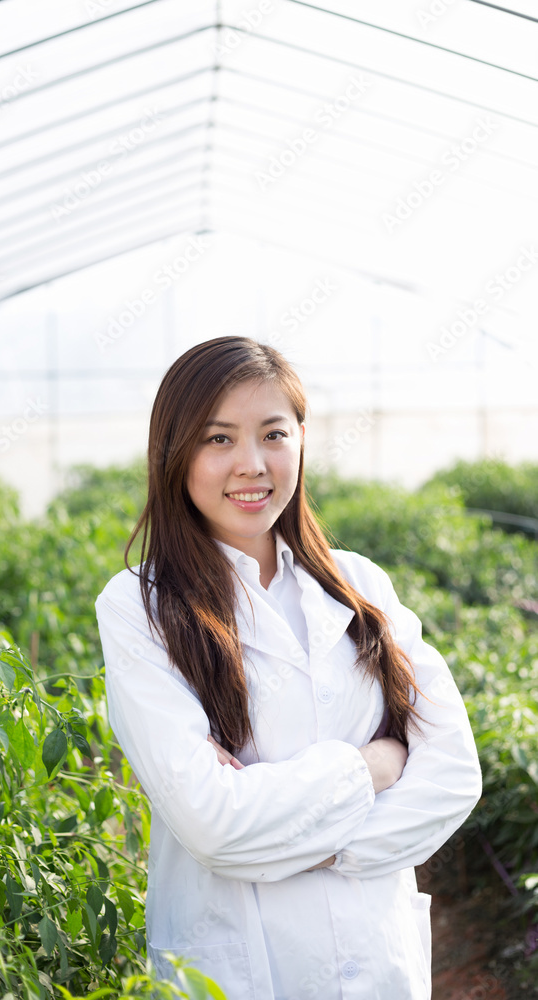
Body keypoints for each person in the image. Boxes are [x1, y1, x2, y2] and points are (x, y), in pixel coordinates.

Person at [94, 336, 482, 1000]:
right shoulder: (140, 606)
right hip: (237, 972)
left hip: (376, 964)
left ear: (301, 439)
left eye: (273, 434)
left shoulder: (359, 585)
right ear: (173, 453)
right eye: (218, 440)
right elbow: (213, 824)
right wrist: (371, 768)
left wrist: (321, 848)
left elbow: (452, 775)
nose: (251, 464)